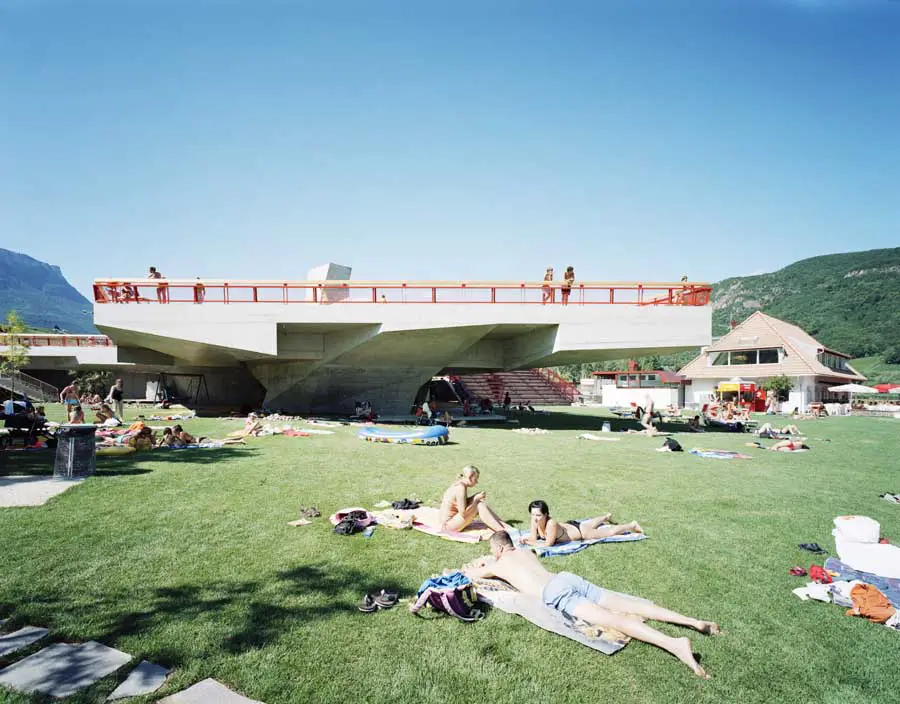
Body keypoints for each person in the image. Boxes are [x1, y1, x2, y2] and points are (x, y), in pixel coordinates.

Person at [461, 531, 718, 678]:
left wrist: (481, 565)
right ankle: (692, 621)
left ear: (496, 549)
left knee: (617, 620)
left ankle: (675, 645)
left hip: (554, 592)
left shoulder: (498, 563)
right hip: (566, 578)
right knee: (630, 604)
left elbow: (472, 574)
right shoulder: (526, 552)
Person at [519, 500, 642, 546]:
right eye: (533, 514)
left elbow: (548, 544)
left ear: (546, 514)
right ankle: (606, 517)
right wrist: (526, 540)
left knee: (608, 532)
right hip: (572, 526)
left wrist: (528, 542)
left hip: (580, 532)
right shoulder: (534, 520)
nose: (535, 518)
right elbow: (533, 538)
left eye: (538, 515)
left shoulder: (551, 524)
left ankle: (632, 525)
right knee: (589, 523)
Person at [438, 466, 508, 534]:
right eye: (476, 478)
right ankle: (502, 531)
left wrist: (475, 496)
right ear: (470, 477)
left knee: (479, 503)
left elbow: (462, 502)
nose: (477, 482)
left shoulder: (458, 484)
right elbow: (463, 513)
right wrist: (475, 499)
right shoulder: (460, 488)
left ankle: (503, 525)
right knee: (479, 505)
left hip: (447, 522)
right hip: (448, 526)